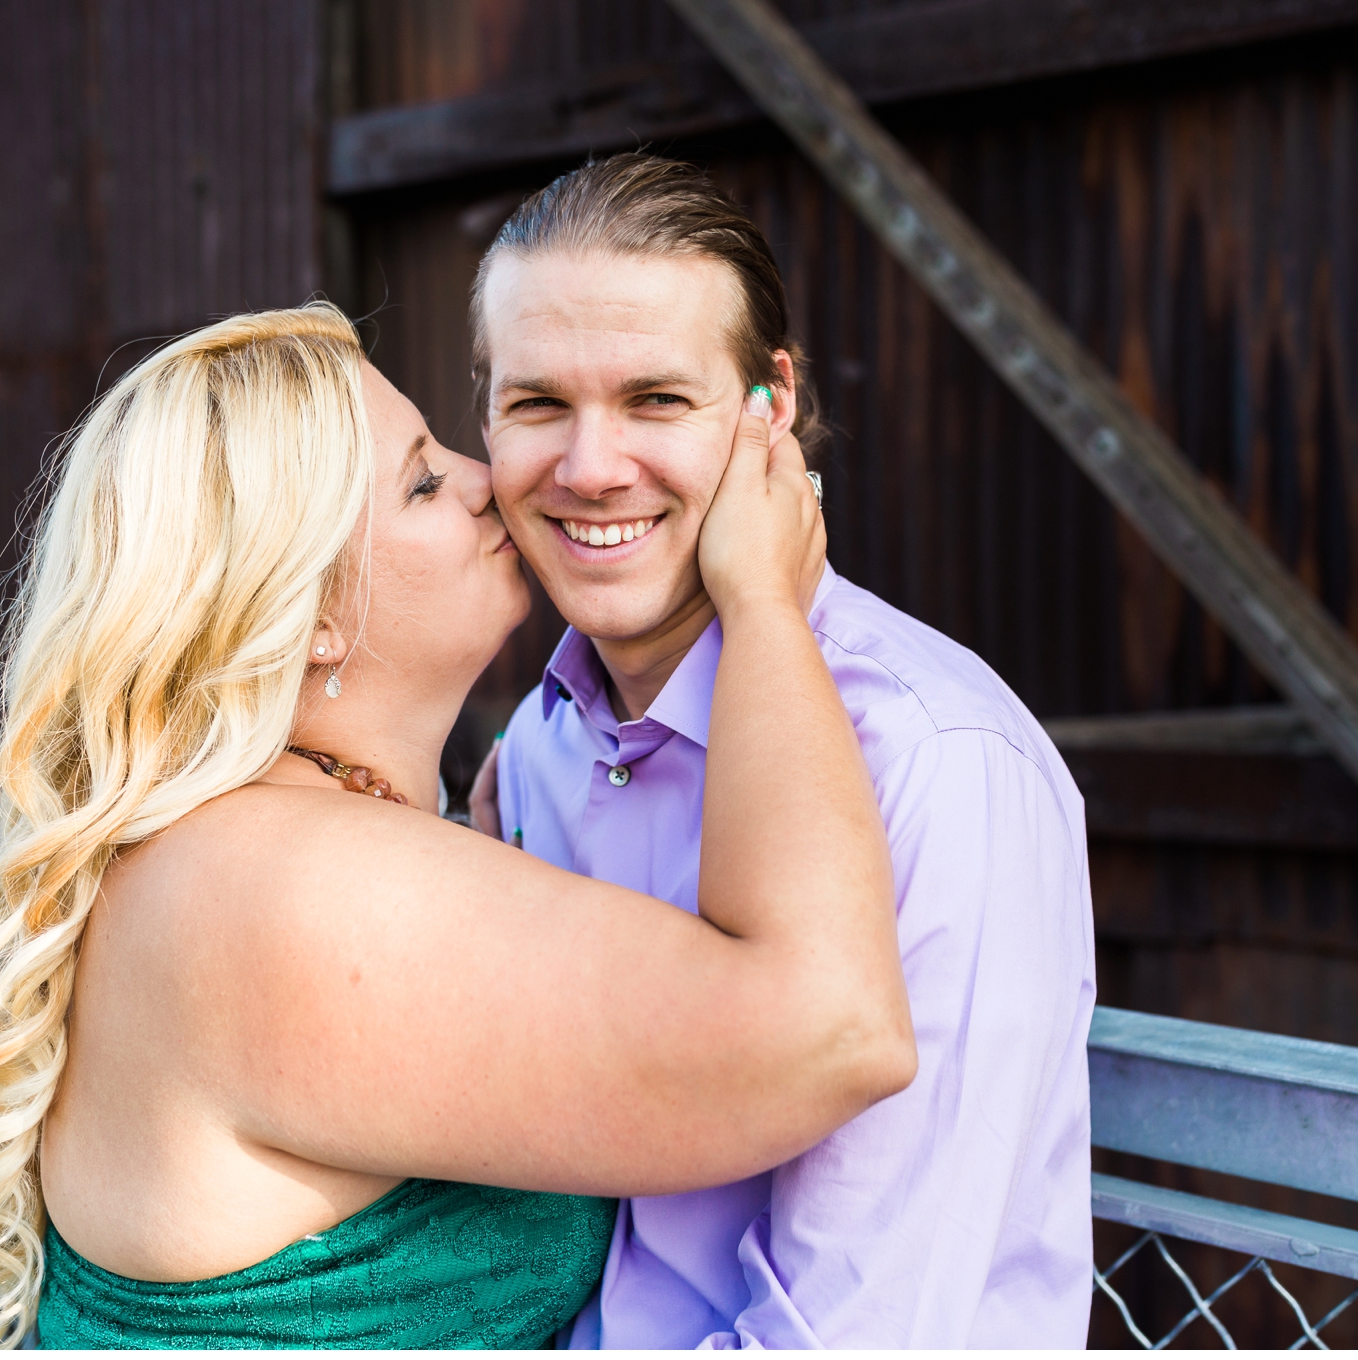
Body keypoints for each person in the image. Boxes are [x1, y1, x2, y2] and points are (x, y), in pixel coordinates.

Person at [0, 303, 916, 1349]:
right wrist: (766, 599)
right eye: (419, 480)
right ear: (303, 611)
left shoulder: (225, 849)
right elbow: (832, 1030)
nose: (482, 476)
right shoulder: (285, 886)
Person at [470, 154, 1098, 1348]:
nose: (590, 467)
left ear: (773, 403)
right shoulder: (538, 744)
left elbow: (857, 1335)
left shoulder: (938, 762)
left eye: (656, 399)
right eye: (539, 402)